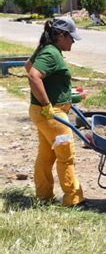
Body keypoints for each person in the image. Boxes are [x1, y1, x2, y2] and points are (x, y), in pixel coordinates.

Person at [25, 17, 85, 206]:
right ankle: (73, 198)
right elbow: (33, 75)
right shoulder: (51, 53)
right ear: (61, 35)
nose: (73, 41)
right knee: (66, 153)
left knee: (47, 155)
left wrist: (59, 92)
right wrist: (46, 103)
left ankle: (44, 196)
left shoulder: (48, 50)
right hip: (51, 114)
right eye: (71, 37)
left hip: (44, 114)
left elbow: (29, 66)